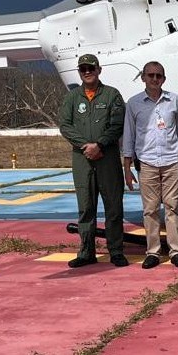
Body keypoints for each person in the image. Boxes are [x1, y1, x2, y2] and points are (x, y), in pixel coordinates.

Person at [58, 53, 128, 268]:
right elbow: (65, 125)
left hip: (107, 158)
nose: (87, 72)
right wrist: (85, 146)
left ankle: (116, 250)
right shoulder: (72, 97)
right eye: (83, 69)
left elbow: (117, 124)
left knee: (113, 206)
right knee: (86, 207)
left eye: (91, 68)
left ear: (99, 69)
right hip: (82, 159)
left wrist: (99, 145)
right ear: (80, 72)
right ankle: (87, 251)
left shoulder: (112, 95)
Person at [121, 61, 178, 269]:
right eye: (151, 75)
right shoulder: (133, 103)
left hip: (172, 160)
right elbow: (129, 135)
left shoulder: (173, 100)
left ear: (164, 79)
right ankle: (153, 251)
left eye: (159, 76)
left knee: (172, 207)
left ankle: (176, 250)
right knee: (150, 209)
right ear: (143, 77)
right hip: (147, 162)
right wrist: (127, 168)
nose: (155, 79)